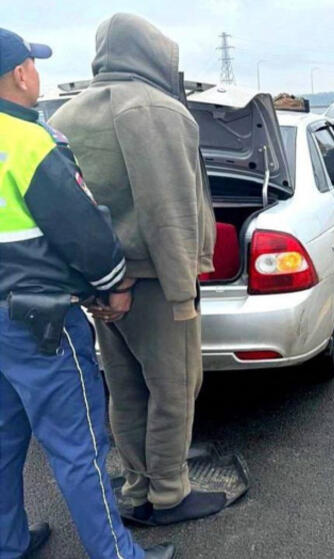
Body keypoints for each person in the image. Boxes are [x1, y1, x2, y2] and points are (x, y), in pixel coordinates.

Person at [0, 28, 173, 559]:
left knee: (5, 442)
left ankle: (8, 543)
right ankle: (117, 555)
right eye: (34, 65)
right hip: (40, 324)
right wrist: (116, 284)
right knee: (80, 450)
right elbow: (82, 231)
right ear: (21, 73)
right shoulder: (28, 141)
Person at [50, 13, 222, 526]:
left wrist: (94, 282)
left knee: (125, 390)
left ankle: (136, 487)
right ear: (152, 52)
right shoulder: (153, 110)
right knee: (174, 388)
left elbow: (64, 210)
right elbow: (167, 210)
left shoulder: (66, 113)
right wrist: (181, 292)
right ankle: (169, 495)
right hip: (152, 281)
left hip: (102, 283)